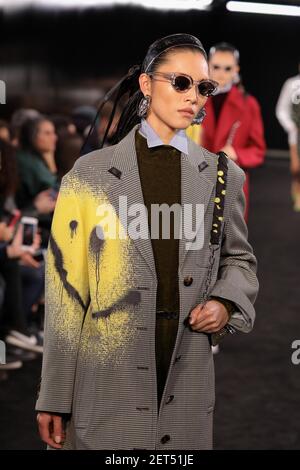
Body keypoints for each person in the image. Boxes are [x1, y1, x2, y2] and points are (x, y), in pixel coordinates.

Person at [36, 33, 259, 450]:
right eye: (180, 82)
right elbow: (66, 294)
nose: (194, 96)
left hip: (186, 374)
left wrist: (225, 301)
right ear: (145, 84)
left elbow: (240, 260)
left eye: (203, 87)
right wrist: (53, 395)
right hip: (108, 378)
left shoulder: (222, 176)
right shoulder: (88, 176)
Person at [201, 42, 266, 221]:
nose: (221, 73)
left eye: (228, 68)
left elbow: (258, 151)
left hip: (230, 184)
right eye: (216, 67)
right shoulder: (194, 99)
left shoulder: (248, 104)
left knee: (228, 242)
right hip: (197, 181)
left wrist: (236, 153)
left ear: (236, 69)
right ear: (207, 66)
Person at [276, 64, 300, 211]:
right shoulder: (291, 85)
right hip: (296, 133)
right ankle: (297, 192)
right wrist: (291, 126)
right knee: (297, 168)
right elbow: (282, 109)